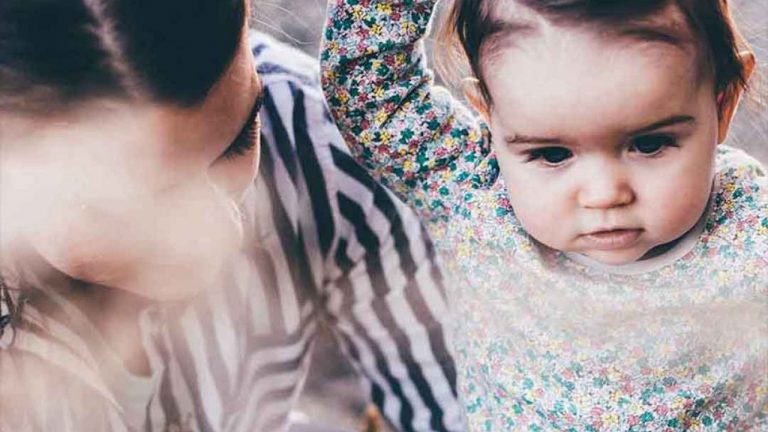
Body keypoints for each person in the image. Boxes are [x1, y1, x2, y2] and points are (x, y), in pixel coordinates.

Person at [0, 1, 465, 430]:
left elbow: (457, 404)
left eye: (240, 139)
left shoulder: (324, 143)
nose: (223, 233)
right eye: (139, 204)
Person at [321, 0, 768, 429]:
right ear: (489, 115)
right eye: (552, 154)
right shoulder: (473, 197)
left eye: (649, 144)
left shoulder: (753, 227)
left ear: (722, 102)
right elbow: (366, 85)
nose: (604, 195)